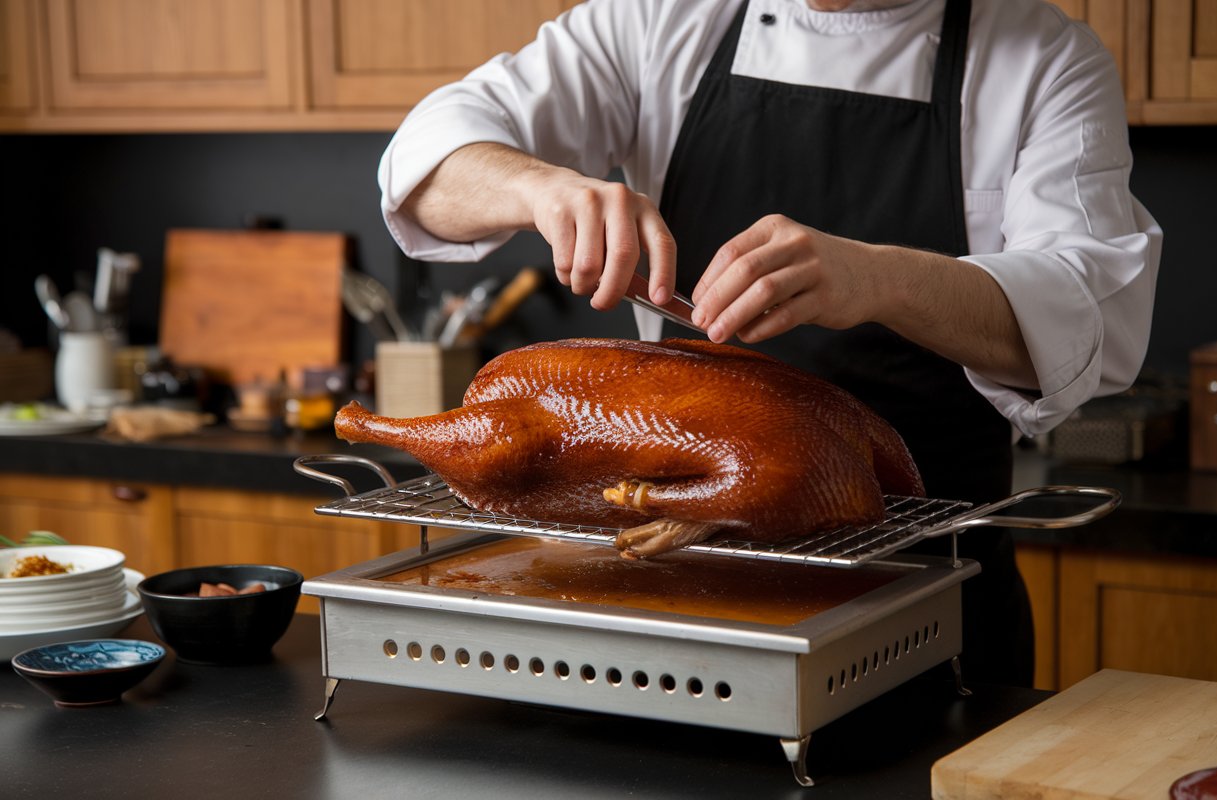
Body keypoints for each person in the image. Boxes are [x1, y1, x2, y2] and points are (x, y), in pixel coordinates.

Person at [376, 0, 1162, 687]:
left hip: (931, 584)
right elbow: (427, 162)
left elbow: (1091, 315)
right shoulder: (660, 19)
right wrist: (538, 188)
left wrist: (877, 278)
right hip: (679, 575)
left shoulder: (1042, 56)